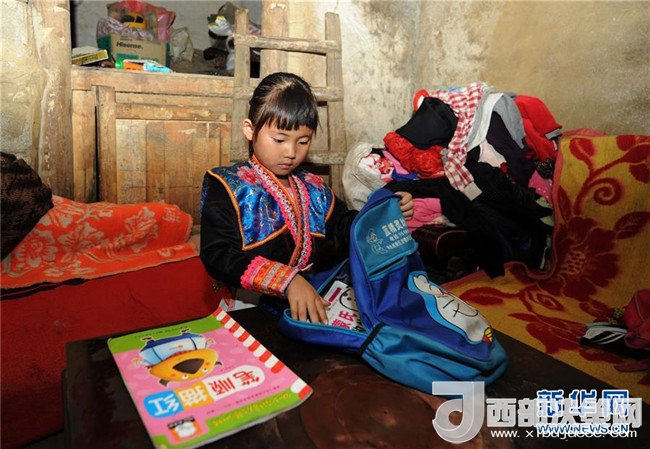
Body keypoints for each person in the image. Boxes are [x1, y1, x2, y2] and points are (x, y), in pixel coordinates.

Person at [200, 72, 413, 324]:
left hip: (313, 297)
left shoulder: (313, 186)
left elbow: (344, 224)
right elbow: (218, 255)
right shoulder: (229, 186)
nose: (291, 152)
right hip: (249, 305)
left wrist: (384, 213)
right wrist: (287, 280)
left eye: (303, 141)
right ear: (250, 129)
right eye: (279, 139)